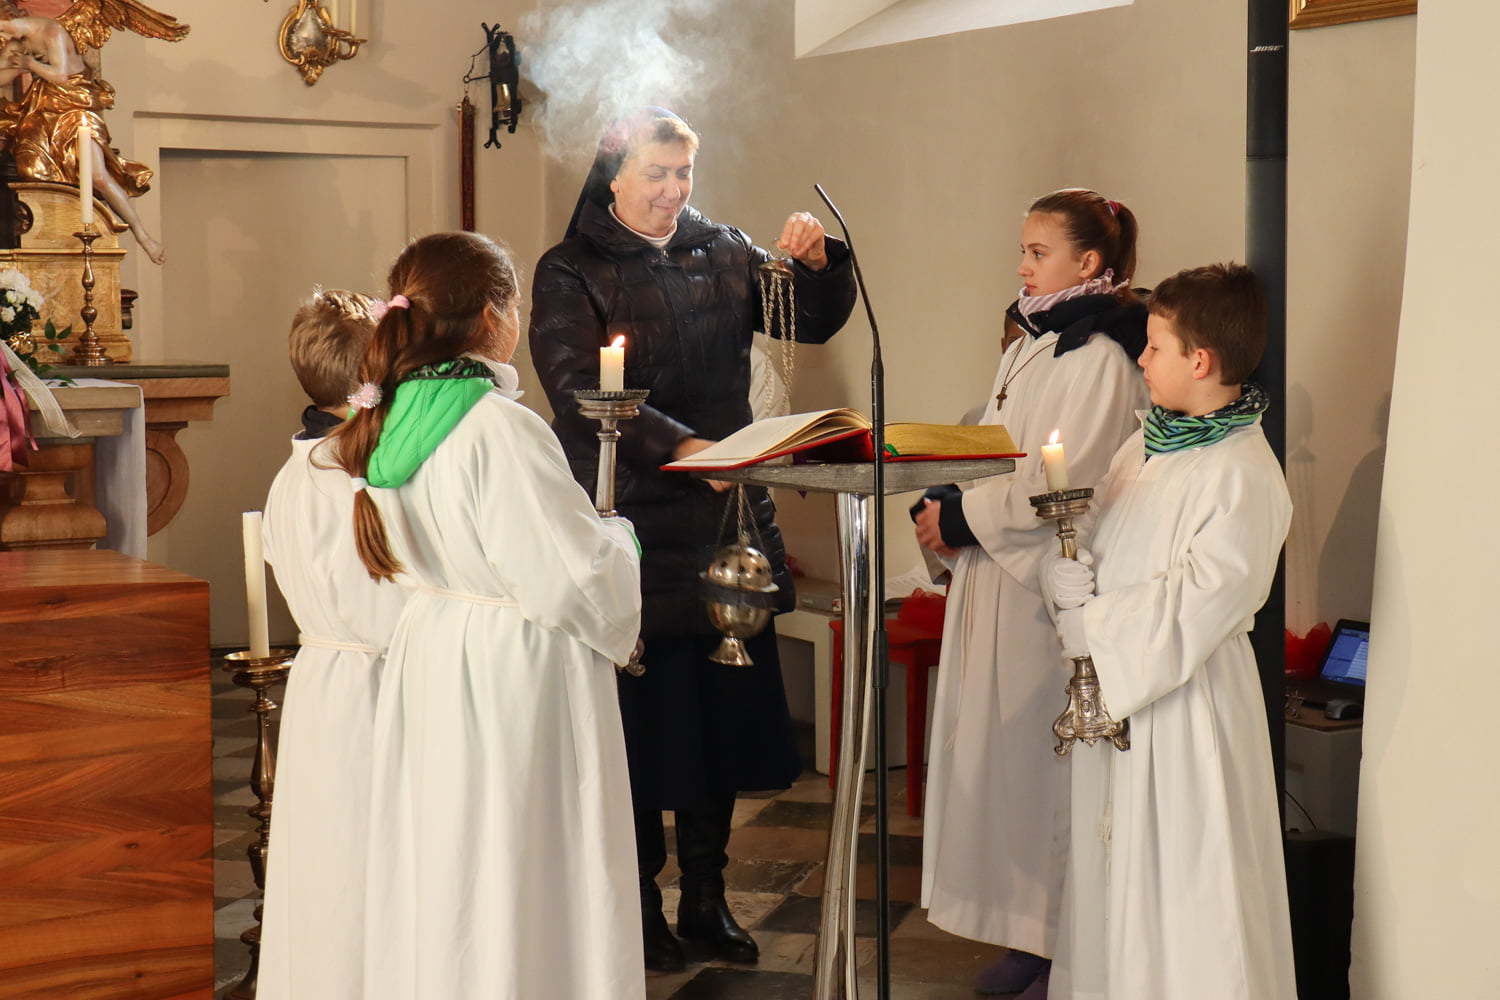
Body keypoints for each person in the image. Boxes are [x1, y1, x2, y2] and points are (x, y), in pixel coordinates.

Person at [529, 108, 857, 972]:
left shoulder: (725, 249)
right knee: (639, 731)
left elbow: (808, 320)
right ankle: (637, 906)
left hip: (724, 520)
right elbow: (576, 388)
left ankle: (707, 900)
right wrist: (683, 449)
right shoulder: (572, 268)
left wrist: (821, 264)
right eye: (657, 173)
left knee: (718, 721)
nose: (674, 190)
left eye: (684, 173)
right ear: (613, 176)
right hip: (628, 519)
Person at [327, 232, 645, 998]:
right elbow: (568, 577)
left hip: (435, 653)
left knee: (451, 859)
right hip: (512, 670)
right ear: (494, 316)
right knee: (516, 861)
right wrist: (619, 539)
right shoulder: (498, 426)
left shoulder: (387, 416)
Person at [913, 189, 1149, 999]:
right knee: (1000, 766)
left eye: (1038, 252)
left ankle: (1061, 944)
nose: (1022, 266)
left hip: (1044, 589)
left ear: (1089, 262)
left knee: (1042, 768)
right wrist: (945, 498)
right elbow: (998, 449)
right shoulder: (1033, 343)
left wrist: (964, 518)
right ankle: (1025, 930)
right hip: (995, 578)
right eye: (1023, 250)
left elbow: (1069, 479)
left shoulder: (1101, 356)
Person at [1042, 263, 1294, 1000]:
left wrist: (1094, 625)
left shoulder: (1243, 472)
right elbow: (1102, 536)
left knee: (1186, 894)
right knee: (1113, 882)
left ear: (1200, 360)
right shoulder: (1148, 445)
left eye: (1155, 347)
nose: (1142, 359)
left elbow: (1204, 600)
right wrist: (1067, 574)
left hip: (1187, 710)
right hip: (1121, 699)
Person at [258, 288, 405, 1000]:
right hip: (385, 686)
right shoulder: (372, 480)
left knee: (327, 870)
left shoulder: (292, 476)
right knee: (381, 865)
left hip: (320, 687)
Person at [0, 15, 166, 262]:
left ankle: (143, 235)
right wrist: (12, 64)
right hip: (43, 110)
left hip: (76, 107)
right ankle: (49, 234)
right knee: (31, 170)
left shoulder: (51, 32)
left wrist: (29, 63)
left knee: (98, 176)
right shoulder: (16, 42)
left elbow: (60, 76)